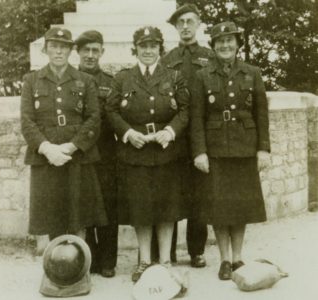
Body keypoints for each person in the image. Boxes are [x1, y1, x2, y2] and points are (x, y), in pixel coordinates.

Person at [106, 26, 189, 282]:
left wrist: (171, 131)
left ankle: (164, 260)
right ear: (136, 49)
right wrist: (128, 133)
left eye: (153, 46)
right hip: (136, 152)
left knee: (166, 207)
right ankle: (144, 261)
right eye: (143, 46)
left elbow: (185, 110)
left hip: (166, 152)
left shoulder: (174, 77)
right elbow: (110, 111)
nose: (149, 51)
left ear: (160, 49)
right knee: (140, 209)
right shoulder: (122, 78)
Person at [190, 21, 271, 280]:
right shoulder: (202, 75)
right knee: (218, 208)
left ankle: (237, 258)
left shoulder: (252, 73)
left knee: (241, 207)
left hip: (244, 148)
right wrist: (199, 152)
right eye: (219, 41)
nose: (225, 45)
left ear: (237, 44)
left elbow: (261, 114)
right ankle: (224, 259)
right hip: (215, 151)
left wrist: (263, 149)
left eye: (229, 40)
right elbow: (196, 118)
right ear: (213, 46)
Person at [20, 27, 107, 254]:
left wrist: (70, 147)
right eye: (54, 46)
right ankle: (54, 269)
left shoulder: (85, 80)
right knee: (50, 216)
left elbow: (93, 119)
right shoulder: (31, 80)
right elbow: (27, 121)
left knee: (79, 217)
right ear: (45, 49)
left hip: (77, 157)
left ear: (70, 50)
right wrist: (48, 149)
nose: (58, 51)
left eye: (63, 47)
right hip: (45, 158)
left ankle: (78, 267)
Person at [151, 3, 213, 268]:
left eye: (190, 21)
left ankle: (197, 251)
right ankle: (167, 254)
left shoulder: (210, 57)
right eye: (180, 23)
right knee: (170, 194)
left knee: (199, 195)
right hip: (174, 136)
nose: (185, 27)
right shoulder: (167, 59)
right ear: (176, 28)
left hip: (200, 136)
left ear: (198, 24)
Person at [75, 30, 118, 278]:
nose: (90, 55)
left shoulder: (110, 82)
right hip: (80, 152)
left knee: (108, 205)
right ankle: (89, 257)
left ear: (101, 52)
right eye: (86, 50)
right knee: (84, 205)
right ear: (78, 52)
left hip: (106, 152)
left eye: (95, 50)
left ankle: (108, 261)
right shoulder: (70, 80)